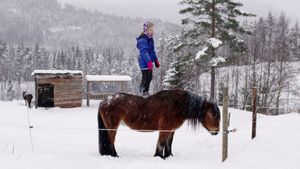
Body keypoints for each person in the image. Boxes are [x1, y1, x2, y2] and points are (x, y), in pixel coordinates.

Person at [136, 22, 160, 97]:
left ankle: (146, 91)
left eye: (152, 29)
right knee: (145, 76)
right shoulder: (142, 40)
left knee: (149, 77)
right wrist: (149, 61)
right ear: (146, 30)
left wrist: (155, 60)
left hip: (149, 61)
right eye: (150, 29)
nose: (152, 31)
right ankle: (142, 90)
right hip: (144, 61)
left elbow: (152, 51)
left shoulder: (150, 39)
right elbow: (144, 52)